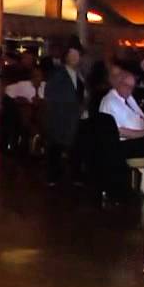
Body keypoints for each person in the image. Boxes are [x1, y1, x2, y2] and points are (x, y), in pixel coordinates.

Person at [100, 72, 144, 162]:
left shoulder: (128, 98)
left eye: (132, 87)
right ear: (118, 83)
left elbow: (143, 118)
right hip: (124, 146)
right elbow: (119, 132)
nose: (129, 89)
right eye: (126, 85)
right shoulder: (110, 101)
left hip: (138, 139)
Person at [44, 42, 88, 187]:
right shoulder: (58, 74)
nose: (75, 58)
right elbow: (52, 95)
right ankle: (53, 176)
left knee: (75, 146)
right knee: (56, 146)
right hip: (61, 115)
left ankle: (74, 175)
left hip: (75, 117)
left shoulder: (79, 75)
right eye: (72, 55)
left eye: (77, 55)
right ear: (66, 56)